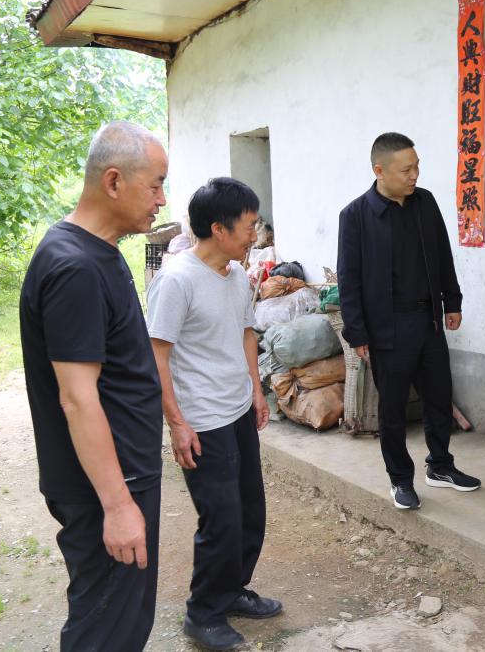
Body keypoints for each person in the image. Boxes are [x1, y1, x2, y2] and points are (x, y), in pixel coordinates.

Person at [19, 121, 168, 650]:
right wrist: (118, 505)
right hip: (105, 484)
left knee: (123, 620)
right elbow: (78, 399)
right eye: (155, 185)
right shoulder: (74, 267)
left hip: (122, 474)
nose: (161, 200)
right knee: (107, 629)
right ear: (113, 182)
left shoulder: (98, 251)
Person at [146, 177, 281, 651]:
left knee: (250, 512)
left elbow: (246, 333)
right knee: (220, 519)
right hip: (202, 419)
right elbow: (157, 355)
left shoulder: (237, 275)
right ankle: (202, 614)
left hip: (237, 408)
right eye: (249, 226)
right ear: (219, 229)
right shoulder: (177, 280)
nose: (254, 234)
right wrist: (176, 423)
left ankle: (232, 590)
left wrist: (257, 391)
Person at [337, 132, 481, 510]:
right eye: (406, 170)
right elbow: (348, 280)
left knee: (438, 398)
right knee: (394, 410)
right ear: (379, 171)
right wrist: (357, 333)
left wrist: (452, 301)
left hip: (427, 320)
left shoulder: (425, 203)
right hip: (387, 328)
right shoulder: (355, 216)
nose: (414, 174)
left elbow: (443, 254)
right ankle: (400, 479)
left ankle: (441, 465)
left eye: (416, 166)